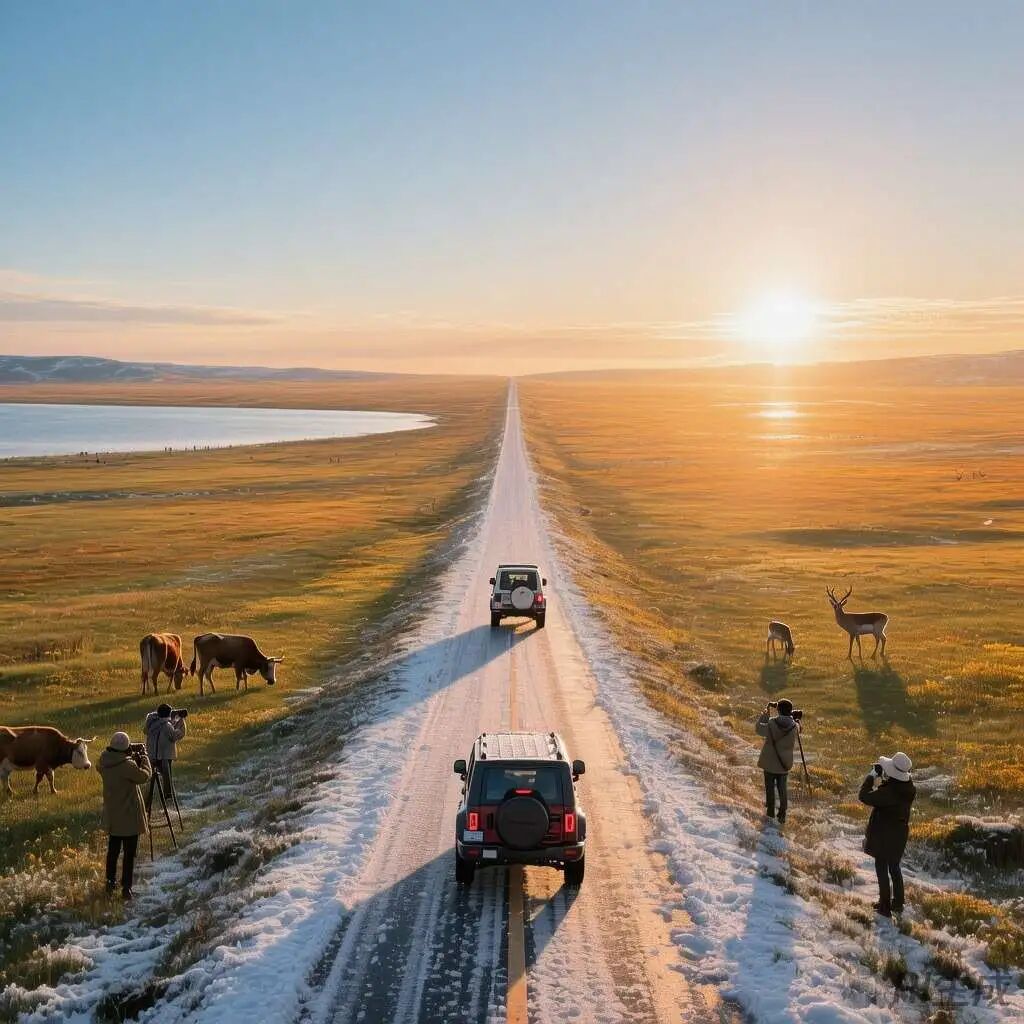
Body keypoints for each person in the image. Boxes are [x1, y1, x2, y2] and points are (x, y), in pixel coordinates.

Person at [860, 751, 915, 918]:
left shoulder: (889, 792)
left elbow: (863, 796)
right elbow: (894, 785)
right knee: (894, 868)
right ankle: (898, 903)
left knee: (881, 868)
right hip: (899, 835)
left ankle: (884, 907)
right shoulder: (909, 787)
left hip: (885, 835)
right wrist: (885, 777)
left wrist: (871, 777)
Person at [98, 732, 151, 899]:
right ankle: (126, 888)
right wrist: (144, 758)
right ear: (125, 748)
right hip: (129, 816)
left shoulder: (103, 762)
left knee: (113, 852)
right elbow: (144, 776)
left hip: (114, 815)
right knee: (129, 854)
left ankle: (110, 883)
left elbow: (114, 762)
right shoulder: (127, 766)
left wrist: (130, 756)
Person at [755, 699, 799, 824]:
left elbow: (758, 729)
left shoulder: (771, 723)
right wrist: (797, 720)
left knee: (770, 788)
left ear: (778, 710)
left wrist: (765, 713)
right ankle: (782, 814)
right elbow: (800, 730)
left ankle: (770, 813)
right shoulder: (794, 726)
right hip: (783, 764)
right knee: (782, 789)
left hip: (769, 763)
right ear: (790, 711)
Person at [144, 703, 186, 810]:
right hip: (164, 757)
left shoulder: (152, 722)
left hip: (151, 755)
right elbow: (175, 736)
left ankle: (146, 804)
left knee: (151, 782)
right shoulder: (166, 726)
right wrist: (181, 722)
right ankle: (168, 800)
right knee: (167, 781)